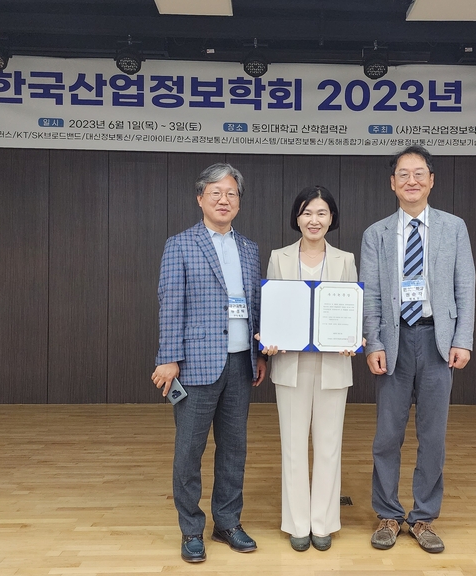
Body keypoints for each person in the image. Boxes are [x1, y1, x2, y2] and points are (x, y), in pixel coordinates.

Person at [360, 145, 476, 554]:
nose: (411, 180)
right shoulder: (376, 234)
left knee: (433, 436)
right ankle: (388, 514)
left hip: (436, 341)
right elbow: (371, 294)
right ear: (392, 183)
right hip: (393, 341)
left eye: (419, 173)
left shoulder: (453, 227)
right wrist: (374, 342)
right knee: (387, 435)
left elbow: (465, 285)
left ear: (431, 180)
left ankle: (424, 516)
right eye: (403, 174)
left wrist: (462, 338)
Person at [151, 162, 267, 563]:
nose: (224, 200)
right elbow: (170, 304)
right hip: (196, 364)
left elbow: (254, 305)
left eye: (231, 193)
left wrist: (258, 353)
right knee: (189, 450)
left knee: (234, 449)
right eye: (215, 193)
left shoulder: (249, 249)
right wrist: (169, 358)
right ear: (200, 198)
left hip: (240, 362)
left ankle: (227, 522)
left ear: (239, 202)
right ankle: (190, 529)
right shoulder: (180, 244)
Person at [258, 186, 358, 552]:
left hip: (333, 363)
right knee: (293, 445)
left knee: (329, 446)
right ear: (296, 218)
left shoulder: (345, 259)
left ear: (331, 218)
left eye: (321, 213)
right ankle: (298, 523)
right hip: (290, 363)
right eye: (306, 213)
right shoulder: (279, 257)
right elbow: (272, 308)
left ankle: (324, 523)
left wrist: (353, 337)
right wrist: (268, 339)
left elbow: (351, 308)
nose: (313, 220)